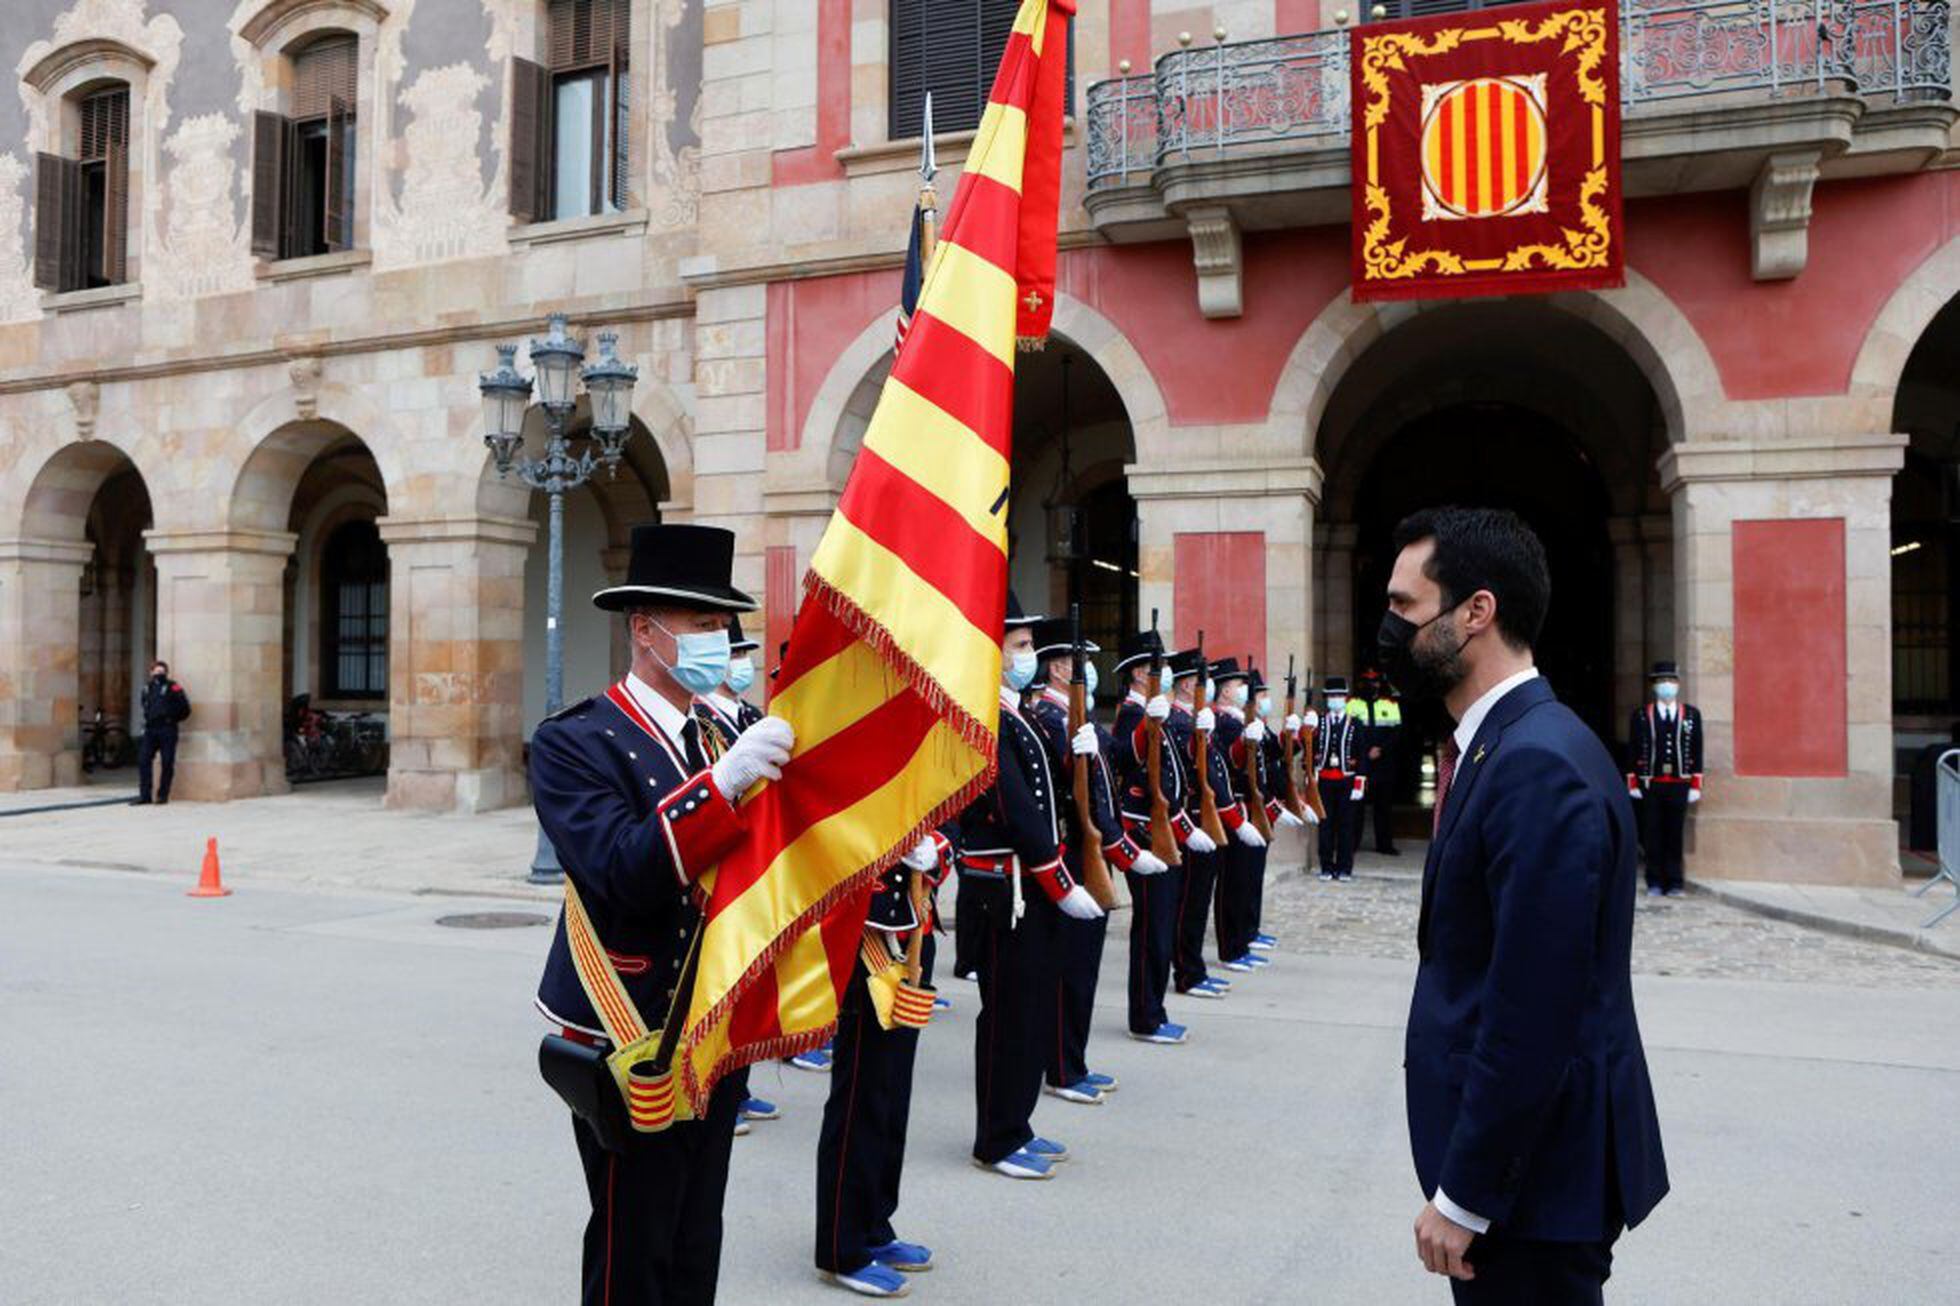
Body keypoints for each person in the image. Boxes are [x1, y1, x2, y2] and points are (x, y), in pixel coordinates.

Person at [1383, 507, 1668, 1304]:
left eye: (1407, 608)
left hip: (1535, 1186)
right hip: (1532, 1178)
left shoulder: (1536, 762)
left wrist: (1467, 1193)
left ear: (1476, 612)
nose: (1391, 629)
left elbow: (1533, 1007)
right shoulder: (1503, 743)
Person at [529, 522, 798, 1306]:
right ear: (644, 629)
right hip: (633, 1030)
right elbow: (621, 871)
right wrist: (722, 789)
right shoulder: (578, 741)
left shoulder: (722, 730)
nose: (721, 639)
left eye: (724, 623)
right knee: (633, 1239)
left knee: (695, 1228)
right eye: (703, 623)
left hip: (716, 1022)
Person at [955, 592, 1105, 1180]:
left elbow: (1050, 796)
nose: (1029, 657)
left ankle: (1018, 1122)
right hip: (1007, 888)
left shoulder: (1015, 711)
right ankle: (996, 1136)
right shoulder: (983, 715)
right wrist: (1059, 878)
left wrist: (1077, 757)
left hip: (1030, 887)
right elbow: (1014, 807)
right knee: (1008, 1016)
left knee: (1033, 1007)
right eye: (1018, 647)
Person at [814, 833, 950, 1297]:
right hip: (863, 932)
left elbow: (953, 812)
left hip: (913, 930)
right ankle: (842, 1244)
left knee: (893, 1096)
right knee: (861, 1097)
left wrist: (936, 848)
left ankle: (875, 1222)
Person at [1026, 618, 1154, 1105]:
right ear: (1059, 667)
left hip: (1093, 853)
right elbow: (1070, 794)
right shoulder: (1051, 720)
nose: (1088, 669)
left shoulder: (1078, 721)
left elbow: (1109, 781)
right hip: (1074, 857)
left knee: (1085, 967)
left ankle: (1072, 1060)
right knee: (1070, 969)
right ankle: (1062, 1066)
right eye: (1080, 660)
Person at [1111, 631, 1191, 1045]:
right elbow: (1125, 755)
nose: (1168, 674)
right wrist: (1148, 726)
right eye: (1160, 667)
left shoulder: (1152, 713)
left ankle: (1154, 1008)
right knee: (1152, 928)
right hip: (1141, 833)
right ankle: (1145, 1015)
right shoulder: (1132, 714)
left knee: (1162, 924)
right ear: (1141, 673)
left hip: (1160, 832)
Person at [1163, 651, 1234, 1001]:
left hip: (1204, 820)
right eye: (1201, 681)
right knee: (1190, 904)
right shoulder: (1176, 721)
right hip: (1191, 821)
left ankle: (1194, 966)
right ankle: (1187, 971)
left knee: (1198, 901)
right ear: (1189, 684)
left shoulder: (1191, 719)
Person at [1206, 658, 1271, 974]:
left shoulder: (1237, 720)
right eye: (1237, 685)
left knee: (1243, 878)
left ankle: (1241, 941)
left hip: (1245, 806)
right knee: (1232, 881)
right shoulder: (1222, 722)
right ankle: (1232, 946)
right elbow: (1232, 764)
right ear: (1223, 691)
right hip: (1231, 808)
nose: (1243, 690)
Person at [1626, 661, 1703, 898]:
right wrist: (1633, 782)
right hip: (1652, 784)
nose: (1666, 686)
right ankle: (1654, 881)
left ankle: (1675, 882)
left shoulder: (1691, 715)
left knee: (1674, 833)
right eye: (1661, 682)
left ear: (1678, 684)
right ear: (1654, 686)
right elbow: (1633, 750)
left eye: (1670, 681)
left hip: (1680, 784)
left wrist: (1696, 784)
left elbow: (1697, 750)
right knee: (1652, 834)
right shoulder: (1641, 716)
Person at [1312, 676, 1367, 881]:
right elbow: (1310, 752)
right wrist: (1311, 778)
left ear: (1345, 698)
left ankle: (1345, 868)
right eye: (1331, 696)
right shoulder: (1319, 722)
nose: (1335, 699)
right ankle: (1326, 866)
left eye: (1339, 696)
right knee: (1325, 825)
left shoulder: (1356, 724)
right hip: (1324, 780)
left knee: (1346, 826)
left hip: (1347, 781)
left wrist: (1359, 783)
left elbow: (1362, 755)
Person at [1357, 667, 1405, 854]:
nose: (1371, 685)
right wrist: (1363, 752)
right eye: (1367, 682)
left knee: (1383, 806)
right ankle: (1353, 843)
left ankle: (1384, 844)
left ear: (1379, 683)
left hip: (1383, 763)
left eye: (1375, 681)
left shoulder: (1390, 704)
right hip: (1361, 761)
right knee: (1356, 805)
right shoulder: (1352, 704)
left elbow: (1397, 733)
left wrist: (1381, 750)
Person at [132, 659, 190, 806]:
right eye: (156, 672)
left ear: (166, 673)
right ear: (151, 673)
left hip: (167, 729)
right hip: (151, 729)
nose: (159, 674)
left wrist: (171, 718)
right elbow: (145, 706)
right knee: (143, 760)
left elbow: (185, 708)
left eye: (162, 672)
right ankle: (145, 795)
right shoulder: (147, 688)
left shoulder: (173, 687)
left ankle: (162, 795)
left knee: (167, 762)